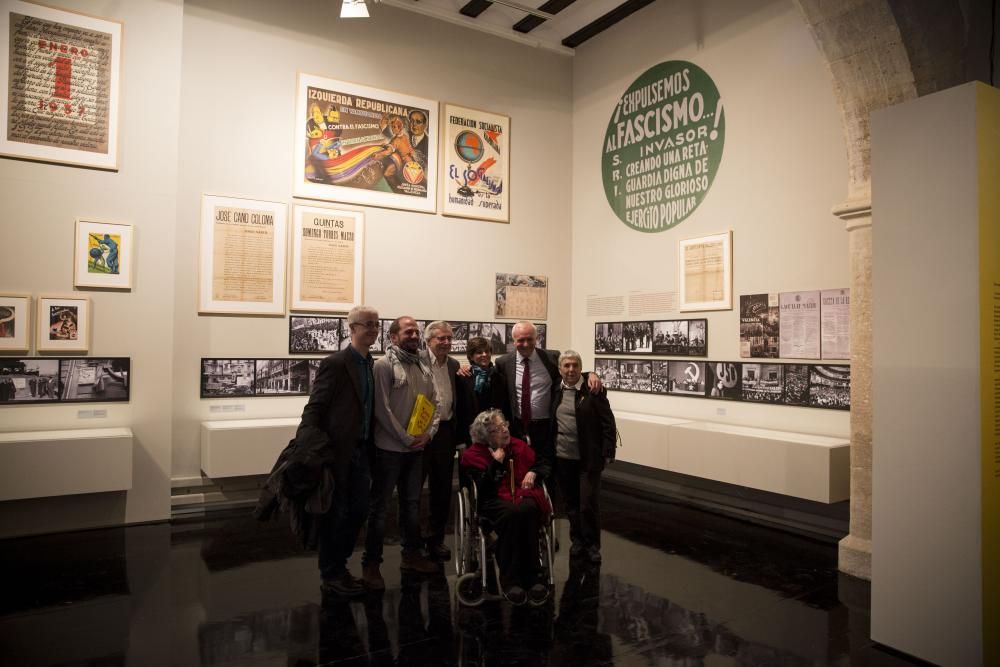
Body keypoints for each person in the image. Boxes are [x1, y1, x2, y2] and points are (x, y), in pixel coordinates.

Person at [295, 304, 381, 597]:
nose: (373, 329)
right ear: (352, 328)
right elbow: (315, 407)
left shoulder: (371, 364)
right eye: (367, 324)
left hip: (362, 452)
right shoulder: (335, 363)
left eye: (376, 324)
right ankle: (331, 573)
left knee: (357, 511)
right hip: (338, 454)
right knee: (336, 514)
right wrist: (310, 448)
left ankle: (339, 567)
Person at [363, 316, 441, 591]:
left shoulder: (423, 364)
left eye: (416, 332)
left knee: (411, 505)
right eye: (408, 331)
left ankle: (411, 556)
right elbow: (381, 410)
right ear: (393, 337)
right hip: (389, 451)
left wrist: (428, 434)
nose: (414, 335)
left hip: (416, 449)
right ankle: (371, 565)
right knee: (380, 509)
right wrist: (406, 438)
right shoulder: (383, 367)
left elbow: (435, 402)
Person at [460, 409, 551, 605]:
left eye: (505, 425)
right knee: (513, 513)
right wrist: (496, 463)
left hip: (520, 493)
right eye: (497, 429)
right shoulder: (473, 455)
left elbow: (543, 464)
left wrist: (533, 473)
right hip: (492, 501)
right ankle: (510, 580)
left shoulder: (518, 446)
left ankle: (533, 576)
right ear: (486, 436)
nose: (504, 431)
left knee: (529, 509)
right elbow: (482, 489)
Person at [494, 321, 602, 455]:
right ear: (513, 341)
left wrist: (590, 374)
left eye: (530, 339)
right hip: (517, 426)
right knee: (520, 465)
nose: (526, 344)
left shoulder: (552, 357)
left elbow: (570, 372)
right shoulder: (503, 362)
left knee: (546, 466)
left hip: (546, 426)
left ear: (537, 338)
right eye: (521, 340)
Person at [550, 350, 617, 564]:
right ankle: (577, 540)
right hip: (563, 456)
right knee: (570, 503)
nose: (571, 370)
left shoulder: (592, 390)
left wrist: (608, 451)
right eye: (566, 366)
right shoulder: (555, 390)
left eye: (575, 366)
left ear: (581, 368)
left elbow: (608, 422)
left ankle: (592, 545)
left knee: (588, 503)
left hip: (588, 458)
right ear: (560, 369)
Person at [419, 320, 460, 561]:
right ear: (428, 341)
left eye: (448, 338)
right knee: (414, 487)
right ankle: (413, 542)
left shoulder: (454, 364)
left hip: (445, 432)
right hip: (420, 431)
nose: (445, 342)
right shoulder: (418, 361)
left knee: (442, 488)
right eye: (440, 339)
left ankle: (436, 539)